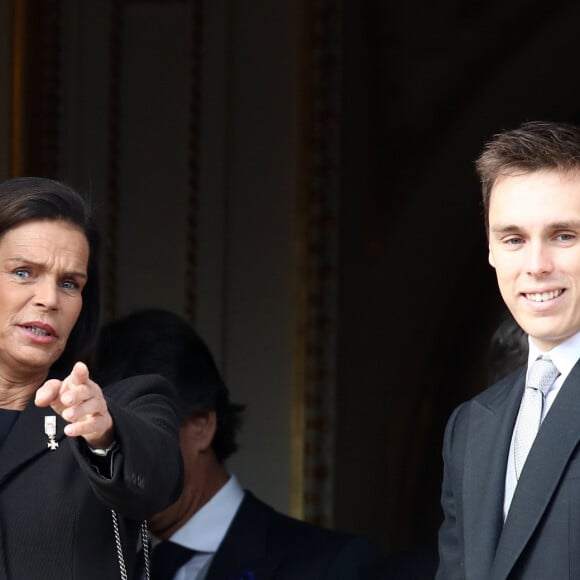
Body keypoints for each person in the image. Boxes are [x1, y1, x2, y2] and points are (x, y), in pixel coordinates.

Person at [96, 308, 384, 580]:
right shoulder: (111, 569)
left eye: (140, 437)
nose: (118, 464)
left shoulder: (327, 565)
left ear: (201, 426)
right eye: (107, 445)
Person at [0, 177, 183, 579]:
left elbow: (157, 482)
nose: (50, 299)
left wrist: (104, 435)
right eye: (24, 273)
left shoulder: (125, 404)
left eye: (70, 284)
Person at [436, 120, 580, 579]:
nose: (536, 266)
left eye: (564, 236)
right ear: (492, 250)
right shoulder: (470, 426)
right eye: (514, 239)